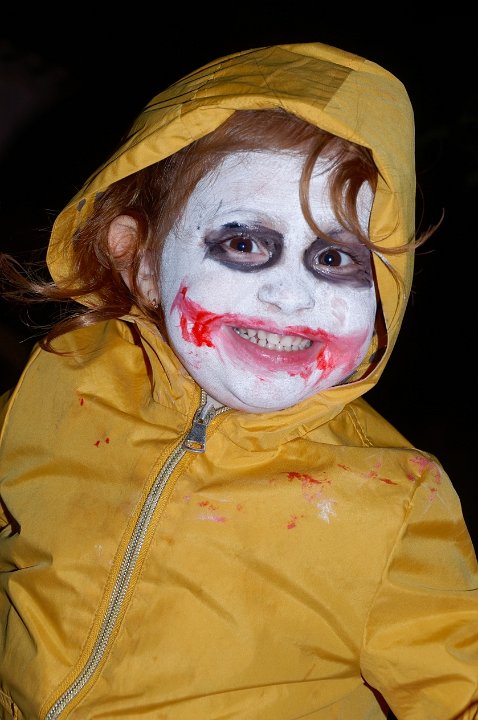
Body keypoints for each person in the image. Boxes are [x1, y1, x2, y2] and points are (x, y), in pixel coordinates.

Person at [0, 40, 477, 720]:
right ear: (139, 263)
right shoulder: (63, 382)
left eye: (335, 257)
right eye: (245, 243)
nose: (291, 295)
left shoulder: (395, 499)